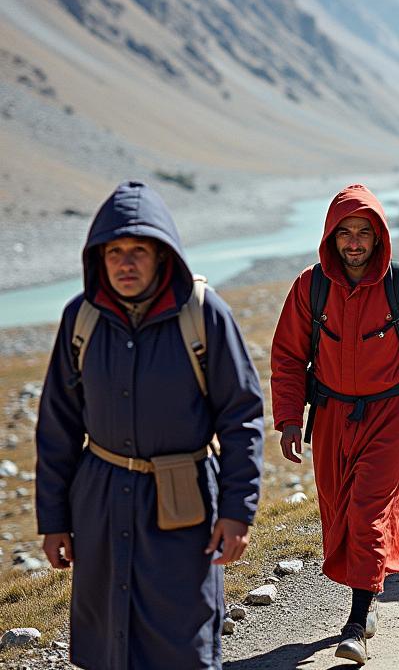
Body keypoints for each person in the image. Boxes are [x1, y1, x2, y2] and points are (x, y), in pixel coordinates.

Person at [35, 181, 264, 670]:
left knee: (184, 641)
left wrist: (237, 510)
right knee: (106, 641)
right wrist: (54, 520)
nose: (125, 262)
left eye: (139, 250)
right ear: (99, 257)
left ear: (163, 255)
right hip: (100, 496)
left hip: (185, 503)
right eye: (114, 251)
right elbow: (57, 424)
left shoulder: (203, 316)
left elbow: (242, 416)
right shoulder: (81, 319)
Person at [270, 185, 399, 666]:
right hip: (331, 417)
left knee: (369, 511)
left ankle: (356, 622)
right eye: (345, 233)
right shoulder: (310, 287)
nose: (354, 242)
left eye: (364, 233)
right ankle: (368, 594)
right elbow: (289, 357)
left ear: (379, 237)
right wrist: (290, 419)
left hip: (388, 416)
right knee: (339, 514)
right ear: (331, 238)